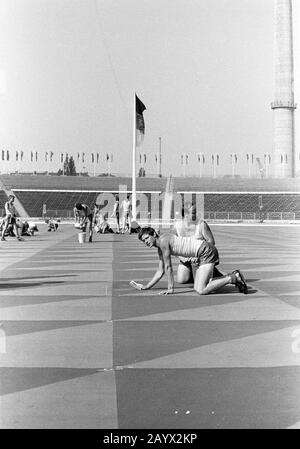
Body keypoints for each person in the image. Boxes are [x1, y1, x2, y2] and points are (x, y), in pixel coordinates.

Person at [132, 226, 248, 296]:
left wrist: (170, 289)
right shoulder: (160, 248)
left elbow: (168, 267)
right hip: (202, 254)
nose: (146, 242)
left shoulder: (163, 241)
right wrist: (147, 286)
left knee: (201, 290)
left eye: (147, 238)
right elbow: (160, 271)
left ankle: (233, 277)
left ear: (154, 234)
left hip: (206, 251)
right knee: (198, 287)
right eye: (143, 241)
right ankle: (230, 278)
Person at [174, 201, 224, 284]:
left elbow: (211, 242)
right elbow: (174, 245)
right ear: (186, 214)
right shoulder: (177, 226)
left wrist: (199, 256)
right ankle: (201, 274)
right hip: (185, 257)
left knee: (201, 282)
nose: (196, 214)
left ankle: (213, 272)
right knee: (181, 280)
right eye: (193, 213)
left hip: (201, 256)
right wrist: (182, 257)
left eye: (196, 212)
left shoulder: (201, 224)